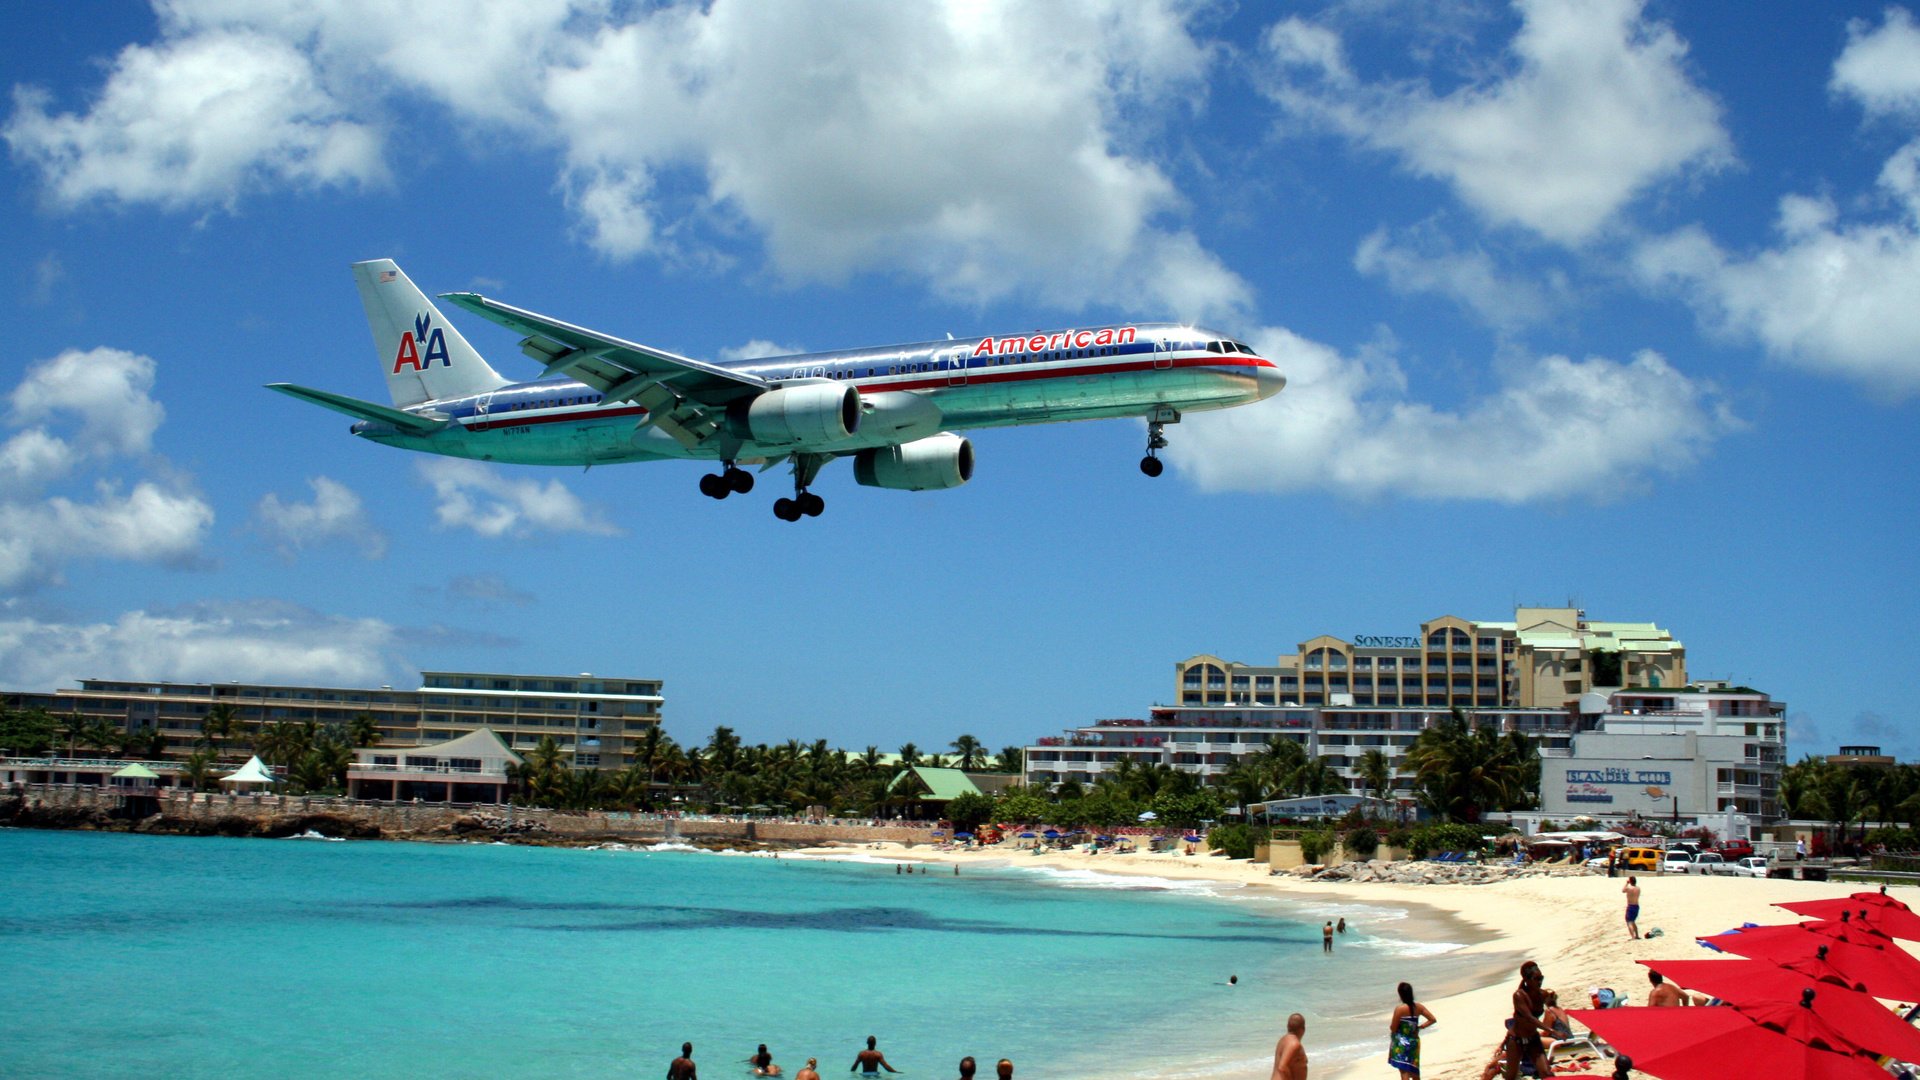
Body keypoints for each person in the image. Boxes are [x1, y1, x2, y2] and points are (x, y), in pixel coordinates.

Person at [1504, 961, 1549, 1080]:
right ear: (1527, 980)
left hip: (1533, 1038)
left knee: (1546, 1073)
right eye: (1537, 978)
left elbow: (1553, 1007)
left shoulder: (1542, 994)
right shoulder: (1519, 996)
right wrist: (1552, 1031)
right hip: (1516, 1040)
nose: (1540, 981)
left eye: (1541, 978)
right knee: (1511, 1076)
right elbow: (1529, 1017)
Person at [1388, 981, 1436, 1079]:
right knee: (1414, 1069)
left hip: (1401, 1042)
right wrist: (1420, 1027)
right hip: (1414, 1041)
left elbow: (1393, 1027)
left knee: (1404, 1070)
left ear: (1400, 994)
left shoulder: (1400, 1009)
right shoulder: (1418, 1007)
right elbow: (1432, 1019)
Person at [1271, 1013, 1308, 1080]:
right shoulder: (1294, 1044)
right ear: (1303, 1029)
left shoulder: (1283, 1040)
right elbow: (1282, 1067)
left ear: (1287, 1026)